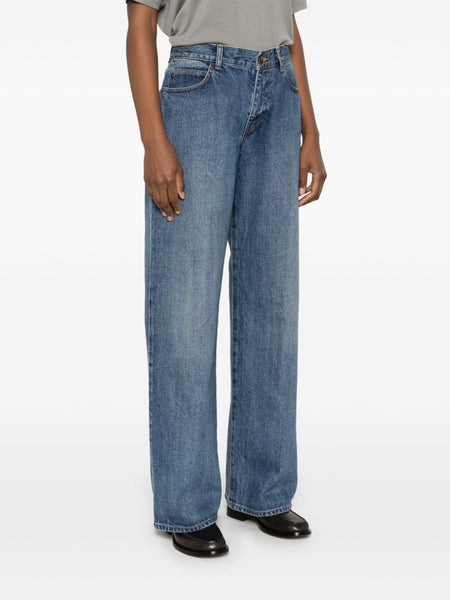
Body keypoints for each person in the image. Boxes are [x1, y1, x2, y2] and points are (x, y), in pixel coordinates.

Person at [126, 0, 327, 558]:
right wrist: (153, 142)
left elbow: (288, 27)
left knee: (273, 307)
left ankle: (262, 490)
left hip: (279, 90)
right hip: (200, 90)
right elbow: (139, 22)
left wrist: (310, 129)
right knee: (185, 308)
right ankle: (186, 503)